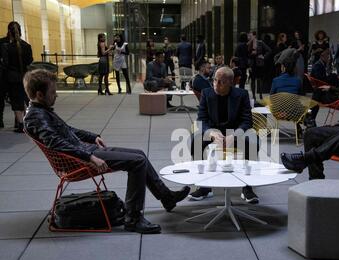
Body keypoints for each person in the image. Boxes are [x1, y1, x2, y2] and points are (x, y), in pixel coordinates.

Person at [23, 69, 191, 234]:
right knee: (137, 162)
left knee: (139, 154)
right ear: (39, 95)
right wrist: (90, 157)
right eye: (52, 92)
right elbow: (56, 143)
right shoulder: (36, 117)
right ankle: (133, 218)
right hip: (79, 159)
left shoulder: (41, 112)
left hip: (84, 152)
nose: (56, 95)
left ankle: (167, 198)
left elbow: (67, 130)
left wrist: (92, 136)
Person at [189, 67, 260, 204]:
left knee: (252, 141)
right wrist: (211, 133)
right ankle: (204, 186)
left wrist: (234, 135)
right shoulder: (206, 93)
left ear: (230, 83)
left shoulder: (242, 94)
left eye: (221, 82)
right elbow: (201, 119)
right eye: (215, 80)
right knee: (195, 140)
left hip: (234, 131)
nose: (216, 84)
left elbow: (247, 121)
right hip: (213, 131)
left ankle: (247, 187)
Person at [0, 21, 33, 133]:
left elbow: (5, 64)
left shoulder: (6, 47)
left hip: (12, 78)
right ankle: (27, 123)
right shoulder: (27, 46)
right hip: (25, 76)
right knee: (25, 100)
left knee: (16, 101)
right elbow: (30, 61)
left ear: (9, 31)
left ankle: (20, 125)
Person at [248, 31, 271, 100]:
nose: (250, 37)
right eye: (249, 36)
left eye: (251, 35)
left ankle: (260, 94)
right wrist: (251, 54)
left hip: (259, 63)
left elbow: (269, 50)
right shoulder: (249, 43)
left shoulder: (260, 43)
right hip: (252, 63)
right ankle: (254, 96)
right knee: (252, 80)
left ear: (254, 36)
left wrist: (263, 56)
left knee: (260, 79)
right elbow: (247, 54)